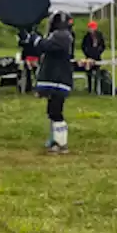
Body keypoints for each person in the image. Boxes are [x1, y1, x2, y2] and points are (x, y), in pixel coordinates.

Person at [24, 11, 76, 154]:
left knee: (56, 112)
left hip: (59, 80)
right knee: (52, 111)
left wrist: (34, 38)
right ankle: (55, 139)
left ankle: (61, 143)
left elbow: (46, 46)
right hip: (56, 78)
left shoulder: (63, 36)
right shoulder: (61, 35)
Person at [82, 20, 107, 93]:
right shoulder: (86, 36)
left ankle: (97, 88)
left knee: (97, 72)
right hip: (89, 57)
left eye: (92, 27)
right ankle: (89, 88)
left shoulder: (99, 35)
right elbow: (83, 46)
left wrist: (99, 51)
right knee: (89, 72)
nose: (91, 29)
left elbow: (103, 45)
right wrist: (87, 53)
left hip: (97, 57)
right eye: (90, 28)